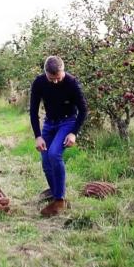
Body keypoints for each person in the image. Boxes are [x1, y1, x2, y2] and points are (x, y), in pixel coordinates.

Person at [30, 56, 88, 217]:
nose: (55, 82)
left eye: (58, 78)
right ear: (45, 74)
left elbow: (83, 110)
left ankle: (59, 200)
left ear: (63, 70)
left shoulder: (71, 82)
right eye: (51, 79)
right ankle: (55, 193)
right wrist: (38, 136)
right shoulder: (39, 83)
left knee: (54, 154)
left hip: (67, 122)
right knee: (46, 160)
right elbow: (33, 111)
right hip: (49, 123)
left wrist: (73, 133)